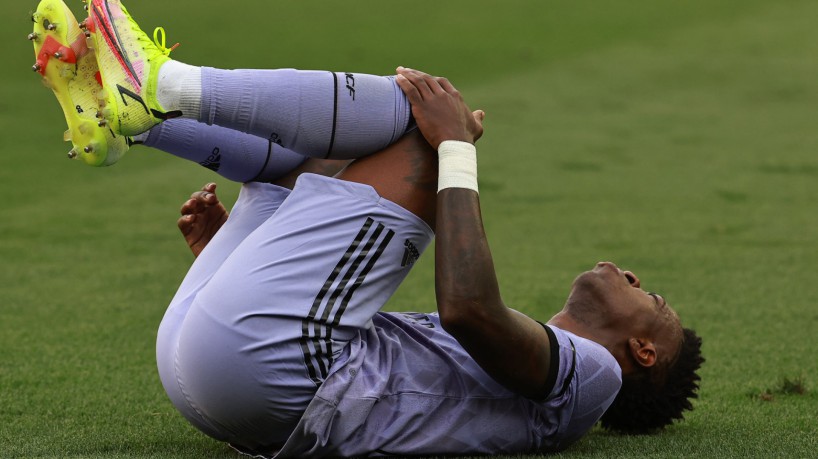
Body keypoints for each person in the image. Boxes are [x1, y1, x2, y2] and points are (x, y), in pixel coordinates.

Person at [31, 0, 704, 456]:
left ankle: (161, 84)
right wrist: (234, 256)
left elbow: (469, 307)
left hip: (275, 379)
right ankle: (137, 119)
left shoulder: (594, 380)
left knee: (417, 121)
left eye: (656, 303)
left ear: (642, 350)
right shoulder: (530, 377)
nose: (636, 278)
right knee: (309, 164)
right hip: (218, 376)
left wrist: (455, 150)